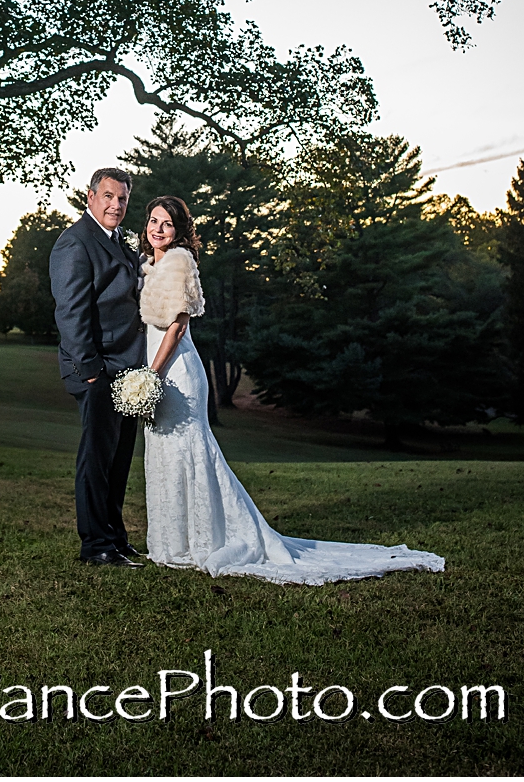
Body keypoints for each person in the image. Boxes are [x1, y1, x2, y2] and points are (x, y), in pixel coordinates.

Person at [137, 195, 445, 583]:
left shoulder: (179, 263)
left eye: (166, 222)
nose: (157, 228)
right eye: (152, 220)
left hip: (175, 370)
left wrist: (151, 374)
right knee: (164, 450)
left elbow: (177, 326)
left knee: (189, 452)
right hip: (155, 367)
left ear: (179, 230)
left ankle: (203, 539)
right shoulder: (149, 265)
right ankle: (169, 542)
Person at [51, 166, 147, 567]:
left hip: (126, 369)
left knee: (118, 459)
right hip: (98, 370)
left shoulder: (117, 241)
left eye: (122, 198)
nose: (116, 205)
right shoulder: (75, 243)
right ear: (90, 197)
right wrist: (91, 371)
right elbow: (71, 314)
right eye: (108, 196)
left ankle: (116, 538)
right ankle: (95, 546)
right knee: (96, 460)